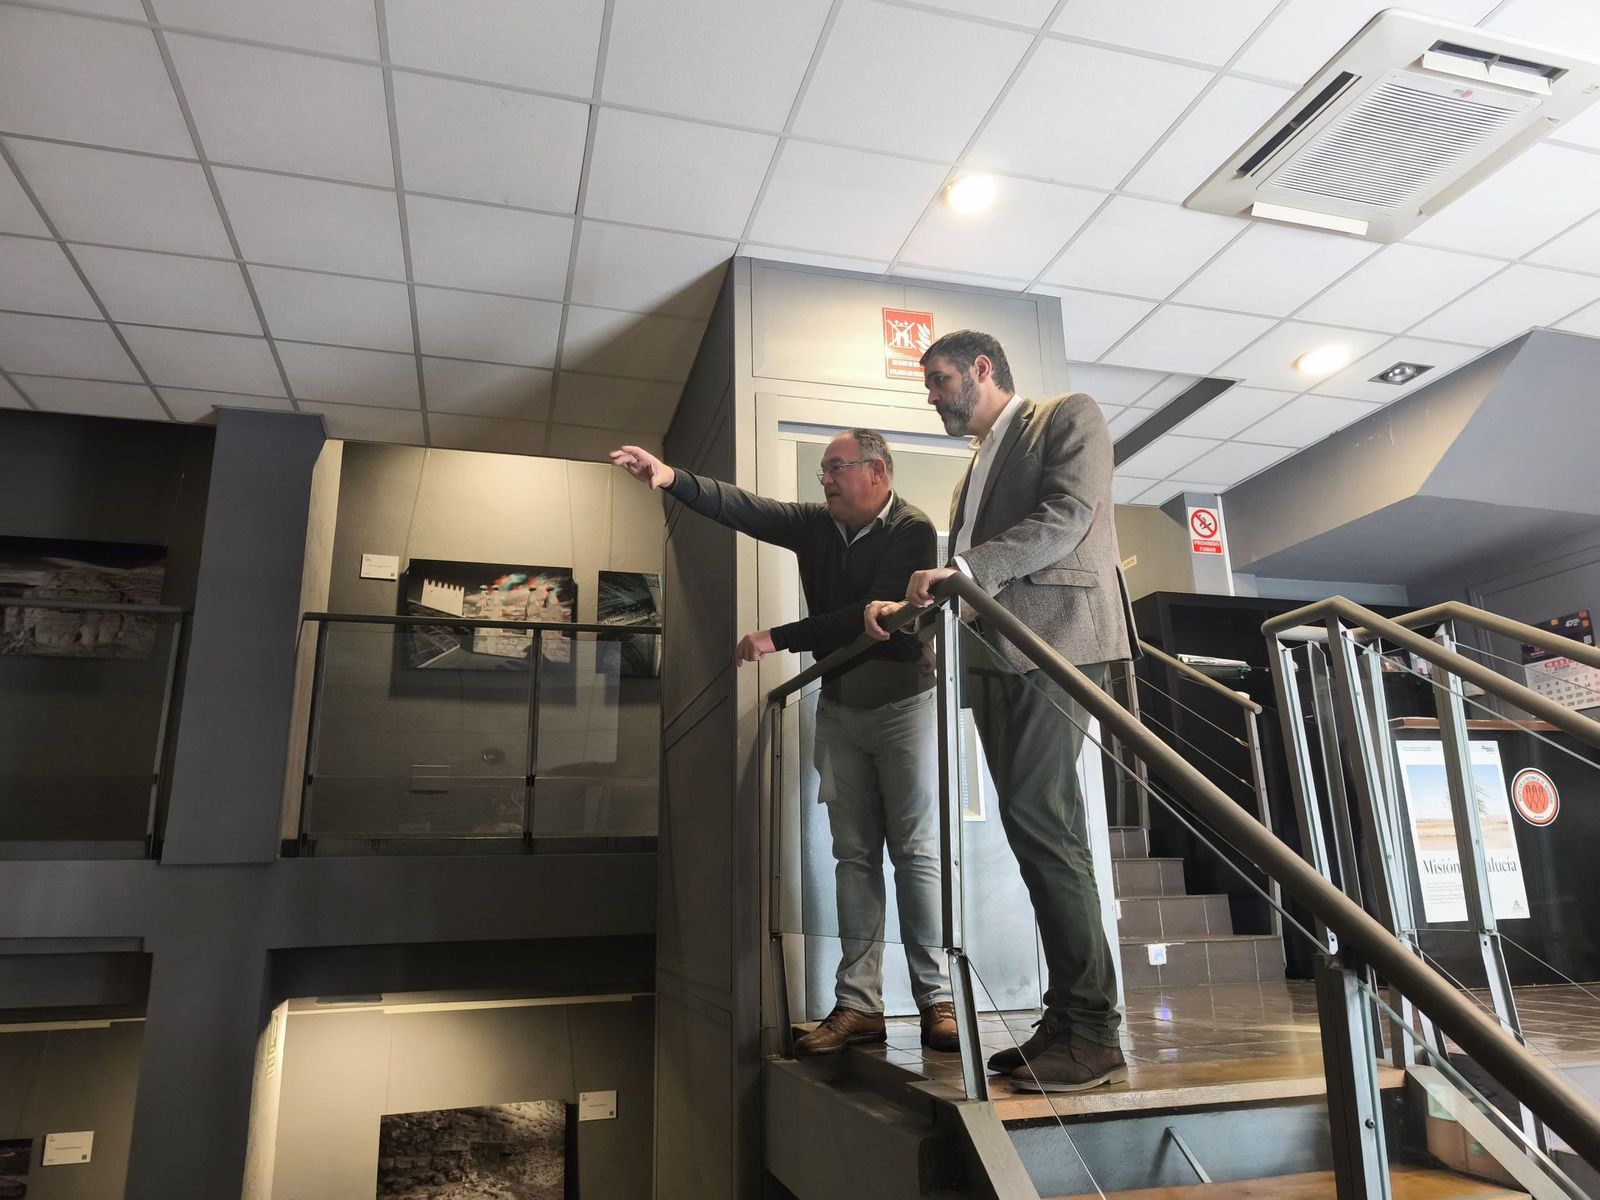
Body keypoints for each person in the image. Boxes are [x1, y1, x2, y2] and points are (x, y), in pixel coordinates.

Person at [610, 430, 959, 1054]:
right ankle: (860, 1006)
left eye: (836, 468)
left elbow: (864, 615)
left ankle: (937, 1001)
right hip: (840, 706)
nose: (824, 480)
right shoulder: (816, 523)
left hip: (904, 705)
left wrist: (780, 636)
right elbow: (745, 507)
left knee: (915, 853)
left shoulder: (912, 528)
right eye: (823, 469)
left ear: (877, 472)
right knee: (854, 857)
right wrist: (669, 478)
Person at [864, 329, 1134, 1093]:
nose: (933, 394)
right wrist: (922, 624)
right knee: (1034, 830)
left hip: (1058, 645)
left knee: (1047, 826)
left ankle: (1093, 1030)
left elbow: (1068, 519)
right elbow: (969, 579)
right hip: (996, 655)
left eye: (941, 379)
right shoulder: (973, 471)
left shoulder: (1067, 417)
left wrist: (964, 570)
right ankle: (1067, 1015)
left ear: (983, 369)